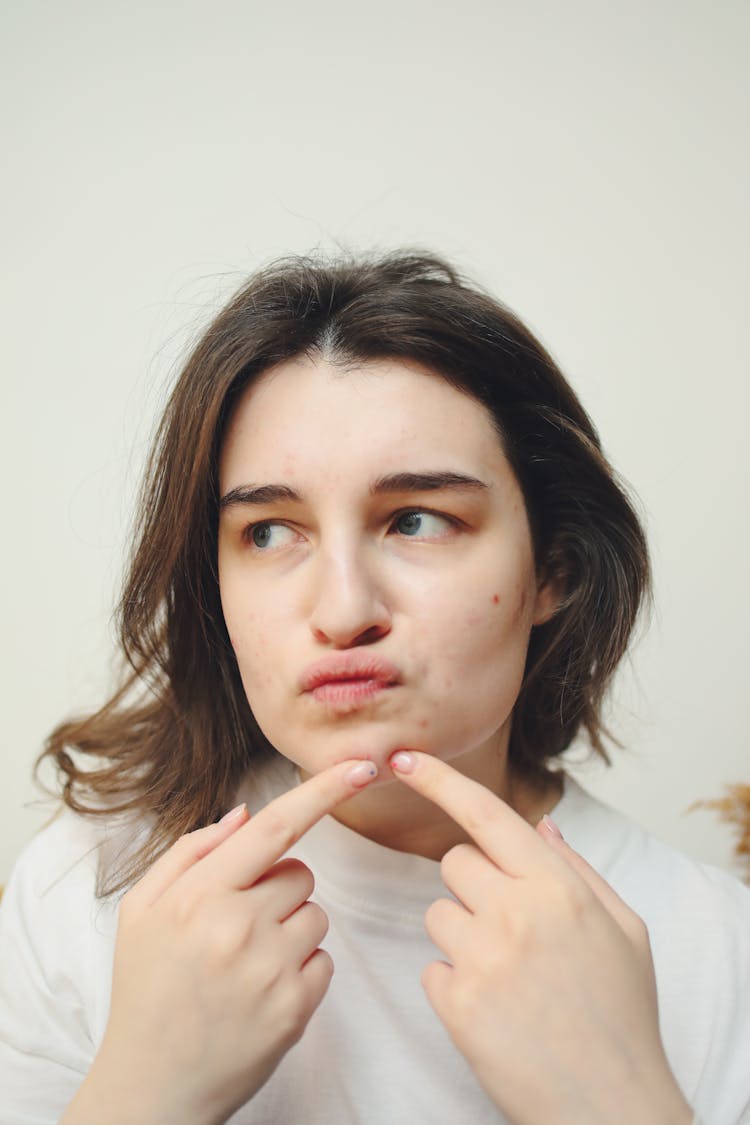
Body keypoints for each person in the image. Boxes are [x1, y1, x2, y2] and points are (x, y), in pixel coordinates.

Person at [0, 251, 748, 1125]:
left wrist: (621, 1104)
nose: (344, 610)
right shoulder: (88, 889)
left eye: (418, 520)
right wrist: (144, 1091)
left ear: (554, 567)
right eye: (271, 531)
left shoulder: (717, 947)